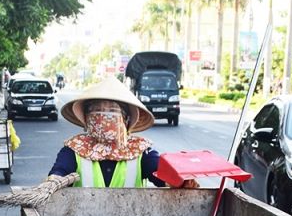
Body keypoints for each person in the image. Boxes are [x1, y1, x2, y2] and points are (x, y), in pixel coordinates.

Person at [49, 76, 197, 188]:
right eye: (97, 111)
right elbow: (59, 172)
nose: (104, 118)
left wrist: (182, 182)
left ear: (125, 120)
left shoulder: (140, 150)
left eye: (112, 111)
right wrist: (53, 182)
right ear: (87, 119)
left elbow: (162, 173)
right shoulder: (74, 148)